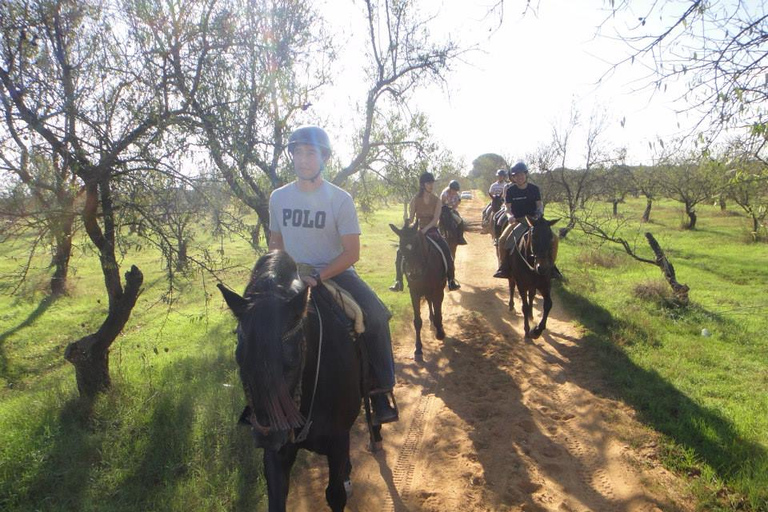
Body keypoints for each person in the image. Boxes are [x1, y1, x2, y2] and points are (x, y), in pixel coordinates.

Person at [268, 125, 398, 425]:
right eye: (297, 153)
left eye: (310, 153)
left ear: (324, 157)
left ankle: (380, 389)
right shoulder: (278, 197)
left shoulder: (340, 199)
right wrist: (280, 274)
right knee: (255, 326)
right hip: (293, 275)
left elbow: (352, 253)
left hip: (335, 273)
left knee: (376, 315)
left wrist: (319, 275)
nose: (303, 160)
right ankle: (263, 400)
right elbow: (276, 243)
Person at [389, 172, 461, 292]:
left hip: (432, 230)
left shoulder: (436, 200)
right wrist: (408, 223)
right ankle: (398, 281)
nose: (431, 185)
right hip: (417, 231)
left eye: (432, 182)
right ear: (423, 184)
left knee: (446, 249)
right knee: (400, 251)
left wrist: (425, 229)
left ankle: (451, 279)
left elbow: (435, 219)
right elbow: (412, 218)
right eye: (428, 183)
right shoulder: (415, 200)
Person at [493, 161, 561, 279]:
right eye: (516, 175)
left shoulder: (534, 189)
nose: (519, 177)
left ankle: (552, 267)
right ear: (513, 177)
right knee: (503, 240)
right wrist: (510, 216)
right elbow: (508, 208)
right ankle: (503, 267)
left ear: (526, 175)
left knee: (554, 239)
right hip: (518, 220)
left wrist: (539, 213)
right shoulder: (510, 190)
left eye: (521, 174)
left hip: (534, 220)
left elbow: (539, 205)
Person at [440, 180, 468, 245]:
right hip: (443, 210)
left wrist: (453, 207)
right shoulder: (444, 194)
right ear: (450, 189)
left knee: (460, 221)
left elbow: (458, 201)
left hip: (451, 210)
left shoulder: (457, 194)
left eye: (456, 190)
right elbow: (442, 203)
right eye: (454, 190)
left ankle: (460, 237)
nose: (455, 192)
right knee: (437, 221)